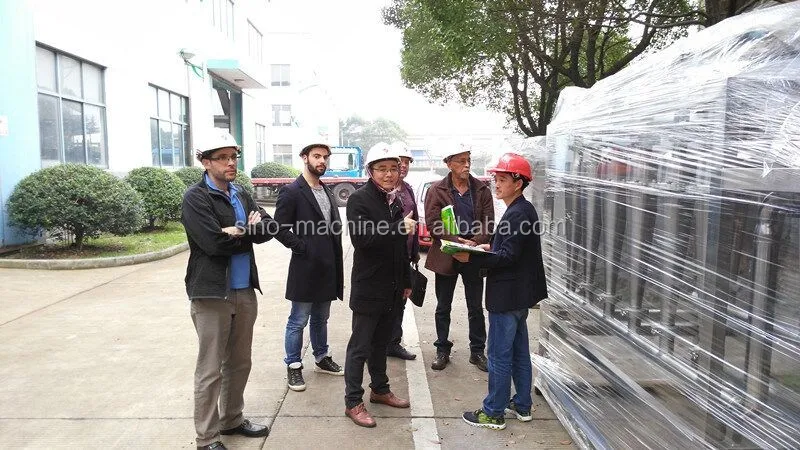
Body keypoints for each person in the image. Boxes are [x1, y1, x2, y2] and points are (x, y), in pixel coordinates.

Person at [181, 129, 280, 450]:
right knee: (210, 369)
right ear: (206, 162)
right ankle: (207, 438)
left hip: (244, 290)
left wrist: (238, 230)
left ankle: (232, 420)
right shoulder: (196, 198)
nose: (230, 163)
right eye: (222, 158)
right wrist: (247, 228)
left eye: (233, 156)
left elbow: (269, 227)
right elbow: (212, 243)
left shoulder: (241, 192)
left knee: (239, 363)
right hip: (212, 293)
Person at [452, 153, 548, 430]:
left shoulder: (518, 213)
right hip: (518, 296)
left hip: (507, 297)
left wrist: (472, 258)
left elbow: (508, 257)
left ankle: (493, 412)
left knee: (498, 355)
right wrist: (486, 247)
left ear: (518, 183)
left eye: (503, 179)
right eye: (496, 179)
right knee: (518, 353)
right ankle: (522, 404)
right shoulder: (521, 209)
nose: (497, 184)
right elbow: (508, 248)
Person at [343, 143, 416, 427]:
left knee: (381, 343)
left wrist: (406, 281)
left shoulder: (394, 199)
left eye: (393, 169)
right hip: (369, 286)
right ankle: (353, 402)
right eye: (382, 169)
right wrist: (398, 228)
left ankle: (380, 390)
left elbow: (400, 247)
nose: (389, 174)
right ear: (370, 171)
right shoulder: (358, 199)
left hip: (393, 286)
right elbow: (363, 240)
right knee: (360, 347)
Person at [274, 143, 345, 392]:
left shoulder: (326, 190)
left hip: (328, 266)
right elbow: (278, 228)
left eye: (325, 157)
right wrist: (302, 247)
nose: (322, 161)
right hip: (305, 267)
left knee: (321, 318)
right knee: (298, 319)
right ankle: (293, 365)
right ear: (304, 158)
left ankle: (321, 357)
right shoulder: (292, 191)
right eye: (316, 156)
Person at [424, 144, 494, 372]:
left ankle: (477, 351)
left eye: (468, 160)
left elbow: (488, 222)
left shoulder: (481, 190)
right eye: (461, 161)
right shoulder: (436, 190)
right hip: (447, 253)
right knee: (443, 305)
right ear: (449, 163)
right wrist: (456, 241)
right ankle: (442, 349)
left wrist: (473, 242)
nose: (467, 165)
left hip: (473, 254)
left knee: (475, 306)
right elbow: (433, 223)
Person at [386, 141, 419, 361]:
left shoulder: (408, 190)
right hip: (386, 256)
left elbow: (414, 222)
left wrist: (414, 253)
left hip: (405, 256)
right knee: (382, 303)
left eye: (407, 162)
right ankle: (376, 344)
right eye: (400, 162)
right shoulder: (382, 191)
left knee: (400, 302)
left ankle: (393, 343)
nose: (404, 166)